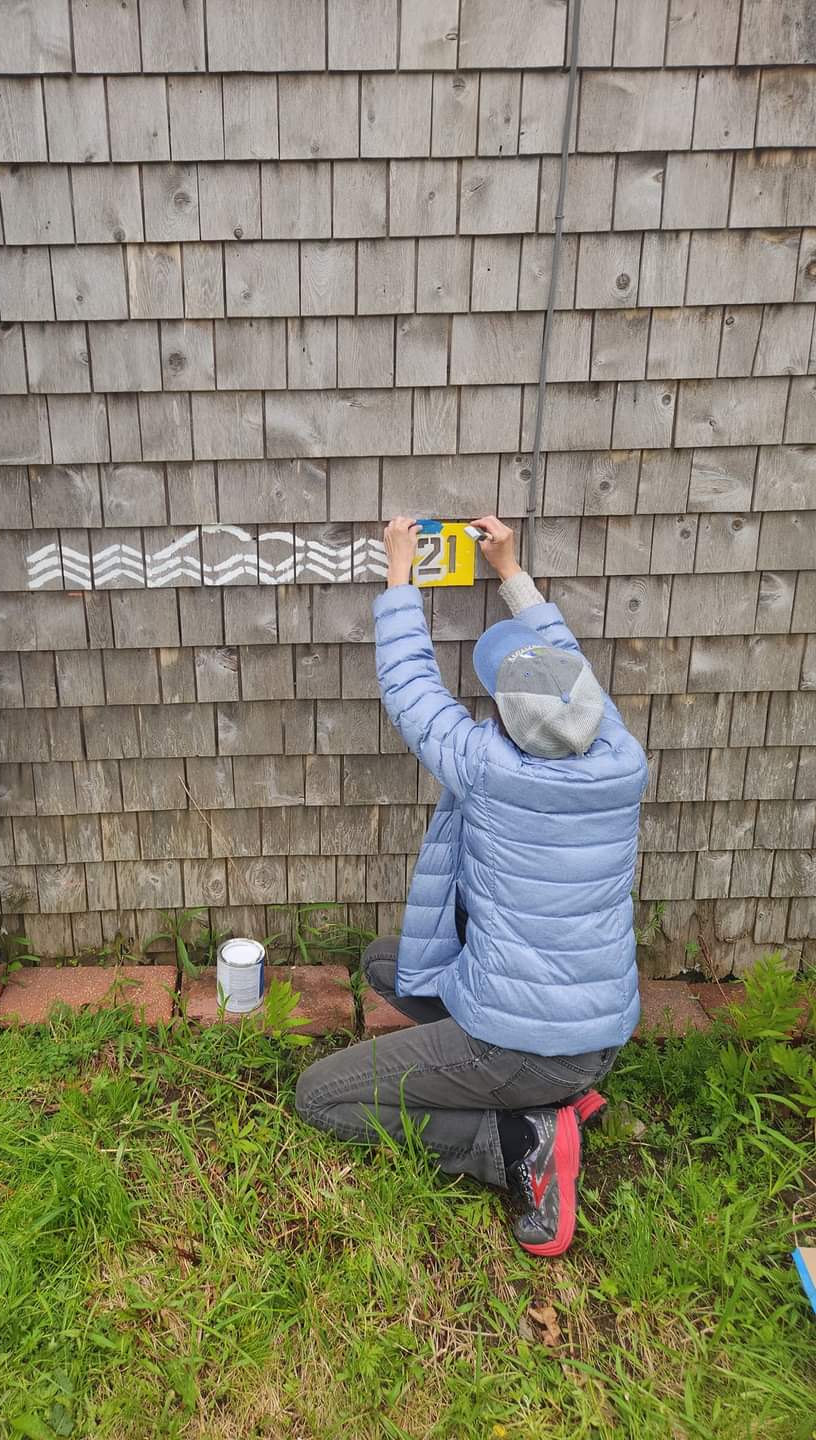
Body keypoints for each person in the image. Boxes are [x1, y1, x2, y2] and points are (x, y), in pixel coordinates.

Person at [295, 515, 648, 1257]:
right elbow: (568, 663)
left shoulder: (492, 771)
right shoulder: (619, 755)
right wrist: (510, 570)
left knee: (320, 1098)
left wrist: (400, 575)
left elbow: (411, 691)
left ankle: (517, 1138)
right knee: (387, 964)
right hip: (597, 1036)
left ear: (509, 720)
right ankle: (562, 1097)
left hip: (517, 1046)